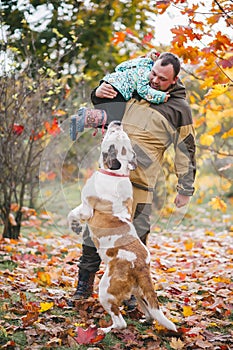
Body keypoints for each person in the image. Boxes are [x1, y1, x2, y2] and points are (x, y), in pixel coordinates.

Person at [70, 52, 196, 307]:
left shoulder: (179, 109)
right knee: (93, 233)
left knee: (134, 241)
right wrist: (99, 91)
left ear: (174, 80)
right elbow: (108, 103)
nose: (154, 80)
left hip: (140, 186)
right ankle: (83, 289)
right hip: (108, 181)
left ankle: (126, 292)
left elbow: (186, 150)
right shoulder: (137, 88)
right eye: (154, 73)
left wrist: (185, 188)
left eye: (162, 79)